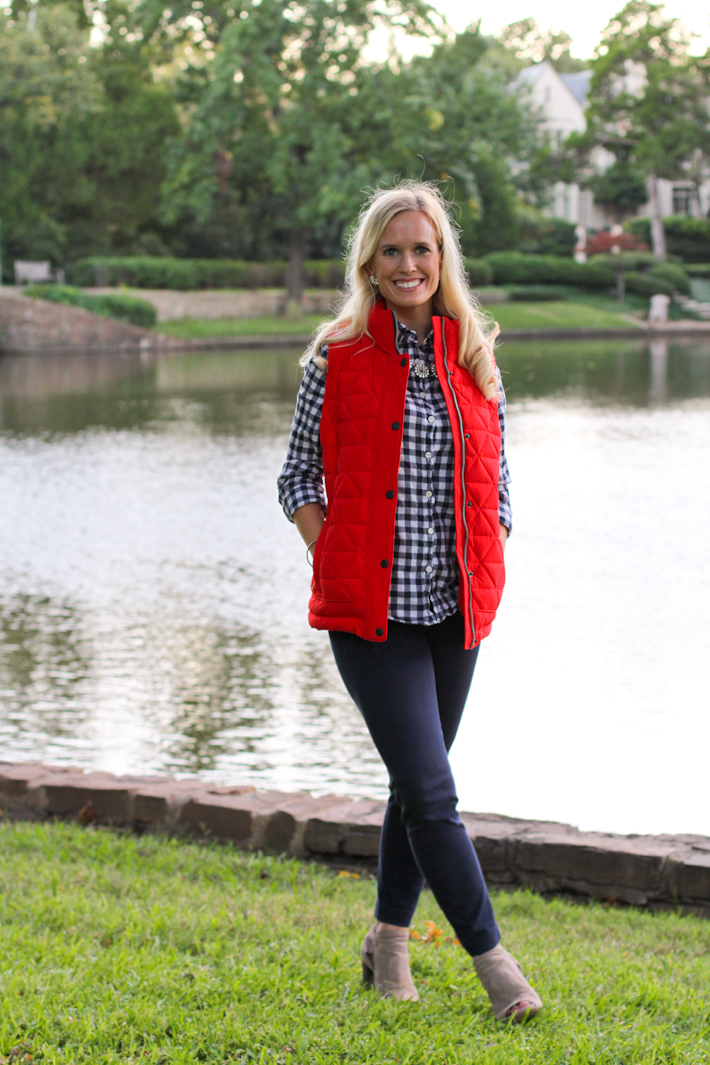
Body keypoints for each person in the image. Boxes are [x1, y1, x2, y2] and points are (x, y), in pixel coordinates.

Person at [277, 182, 543, 1023]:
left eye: (422, 249)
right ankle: (496, 965)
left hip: (455, 608)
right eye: (392, 250)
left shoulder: (474, 352)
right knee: (433, 792)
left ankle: (387, 942)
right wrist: (338, 558)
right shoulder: (339, 355)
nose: (408, 264)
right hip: (370, 614)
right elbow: (296, 480)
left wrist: (493, 541)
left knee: (412, 786)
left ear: (442, 260)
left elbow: (499, 481)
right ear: (369, 261)